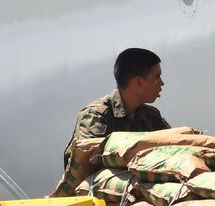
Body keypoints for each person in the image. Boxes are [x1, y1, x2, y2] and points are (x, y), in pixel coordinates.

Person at [53, 48, 170, 195]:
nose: (162, 83)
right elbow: (88, 162)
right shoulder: (96, 116)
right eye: (156, 78)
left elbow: (172, 144)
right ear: (139, 82)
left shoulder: (150, 116)